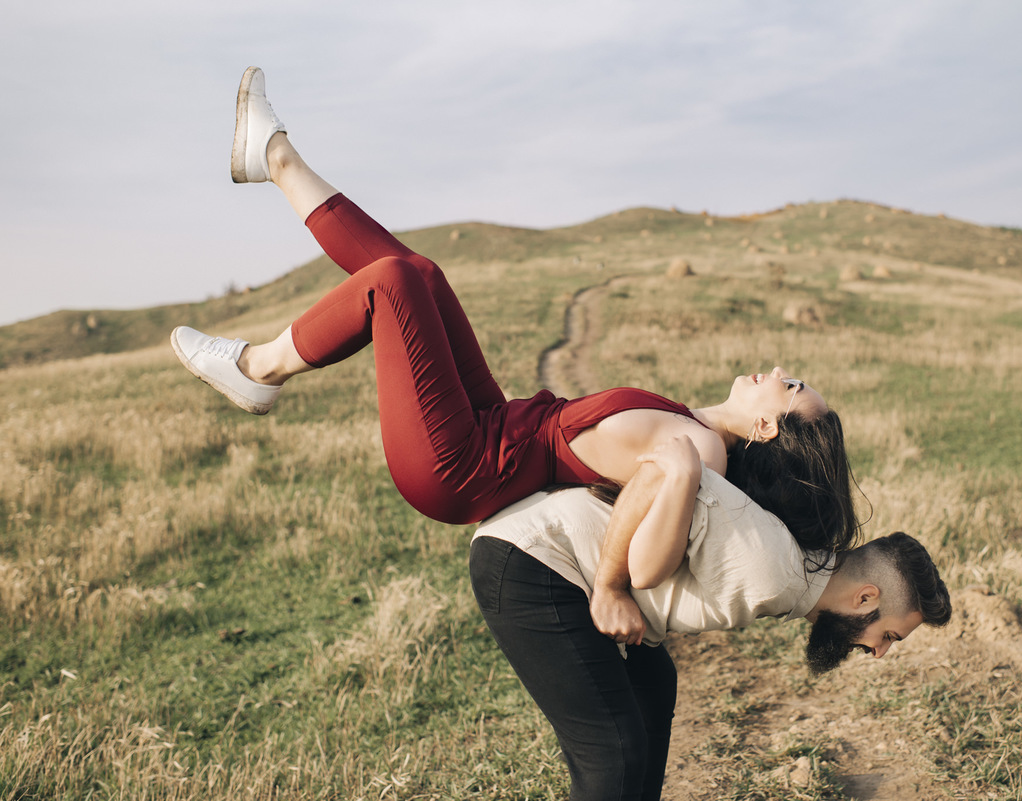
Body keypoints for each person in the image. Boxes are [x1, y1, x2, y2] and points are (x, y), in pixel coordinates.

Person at [172, 67, 862, 625]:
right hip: (494, 424)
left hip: (460, 464)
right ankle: (276, 158)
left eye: (792, 386)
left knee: (393, 286)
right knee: (422, 276)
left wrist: (641, 543)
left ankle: (259, 367)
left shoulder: (702, 453)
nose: (780, 370)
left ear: (768, 428)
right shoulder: (696, 427)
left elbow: (650, 566)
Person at [470, 435, 952, 800]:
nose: (879, 652)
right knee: (615, 751)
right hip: (533, 561)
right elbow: (664, 471)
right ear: (865, 598)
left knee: (655, 687)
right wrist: (611, 586)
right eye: (889, 636)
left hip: (548, 562)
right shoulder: (770, 568)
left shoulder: (794, 569)